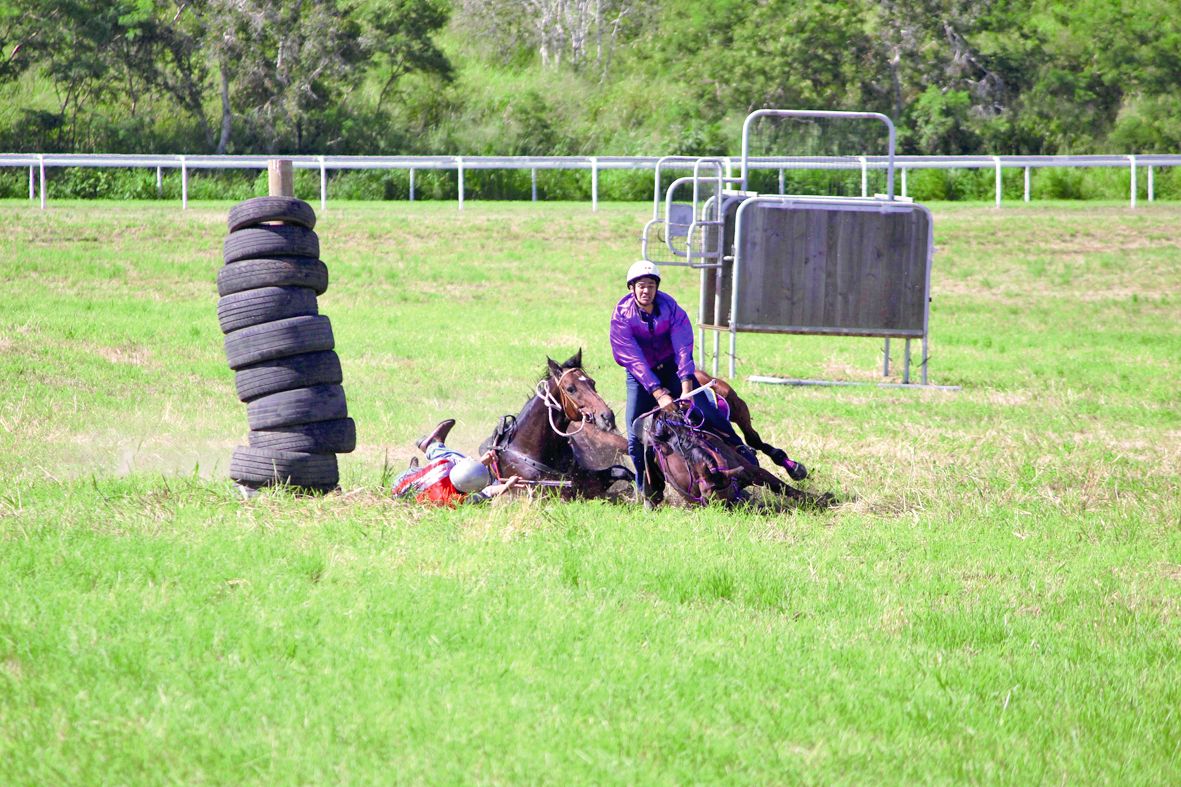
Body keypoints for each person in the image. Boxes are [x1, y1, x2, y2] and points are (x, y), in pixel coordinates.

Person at [609, 260, 757, 497]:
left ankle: (742, 452)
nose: (645, 290)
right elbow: (633, 360)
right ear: (631, 288)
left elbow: (682, 348)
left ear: (656, 288)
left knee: (708, 411)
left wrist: (686, 387)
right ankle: (644, 488)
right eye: (640, 286)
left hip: (671, 368)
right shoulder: (621, 317)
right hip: (641, 377)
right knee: (635, 434)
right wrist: (659, 393)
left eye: (650, 285)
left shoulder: (671, 309)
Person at [390, 419, 522, 506]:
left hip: (401, 483)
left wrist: (481, 463)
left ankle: (430, 447)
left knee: (447, 458)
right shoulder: (454, 500)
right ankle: (429, 447)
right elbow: (489, 491)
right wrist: (507, 486)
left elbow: (466, 469)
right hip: (401, 488)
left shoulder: (444, 464)